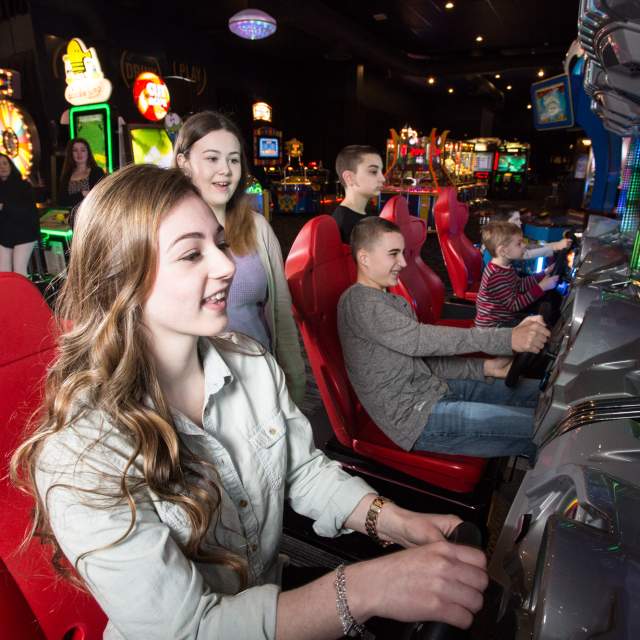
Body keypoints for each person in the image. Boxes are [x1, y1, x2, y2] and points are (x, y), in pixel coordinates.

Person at [11, 165, 489, 639]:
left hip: (266, 591)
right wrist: (364, 588)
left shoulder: (249, 361)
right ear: (123, 281)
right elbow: (191, 630)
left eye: (218, 244)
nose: (226, 265)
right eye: (191, 254)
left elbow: (300, 470)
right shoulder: (82, 452)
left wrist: (396, 521)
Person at [338, 217, 551, 459]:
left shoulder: (392, 300)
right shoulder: (358, 302)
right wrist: (506, 338)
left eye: (403, 253)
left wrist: (485, 367)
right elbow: (419, 340)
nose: (403, 262)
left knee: (543, 396)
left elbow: (422, 361)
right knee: (546, 427)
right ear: (364, 258)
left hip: (434, 389)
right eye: (393, 254)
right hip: (414, 417)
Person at [174, 111, 305, 406]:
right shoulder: (165, 234)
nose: (226, 171)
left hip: (261, 381)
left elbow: (281, 311)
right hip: (200, 396)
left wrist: (294, 380)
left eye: (233, 160)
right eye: (212, 158)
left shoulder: (257, 227)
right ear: (184, 163)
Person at [475, 221, 560, 328]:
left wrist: (544, 273)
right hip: (493, 326)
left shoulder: (506, 267)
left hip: (504, 318)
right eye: (519, 243)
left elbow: (519, 285)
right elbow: (514, 305)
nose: (524, 245)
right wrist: (542, 287)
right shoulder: (495, 275)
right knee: (539, 328)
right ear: (503, 251)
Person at [480, 209, 572, 267]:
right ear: (504, 224)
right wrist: (555, 247)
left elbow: (532, 246)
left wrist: (555, 245)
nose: (520, 223)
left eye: (519, 219)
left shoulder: (510, 239)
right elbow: (525, 254)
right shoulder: (498, 245)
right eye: (516, 220)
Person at [332, 145, 385, 244]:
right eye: (373, 172)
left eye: (381, 171)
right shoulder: (346, 223)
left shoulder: (370, 212)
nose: (382, 178)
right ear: (349, 178)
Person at [0, 152, 40, 276]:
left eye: (5, 163)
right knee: (3, 273)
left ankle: (25, 295)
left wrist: (4, 207)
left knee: (19, 272)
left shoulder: (23, 185)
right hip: (4, 235)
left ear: (11, 165)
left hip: (25, 234)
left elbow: (27, 212)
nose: (2, 167)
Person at [58, 138, 105, 208]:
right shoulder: (67, 175)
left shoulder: (97, 172)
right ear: (71, 154)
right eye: (75, 150)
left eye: (83, 150)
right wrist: (82, 194)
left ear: (88, 153)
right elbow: (62, 201)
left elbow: (101, 197)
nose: (79, 154)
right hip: (71, 215)